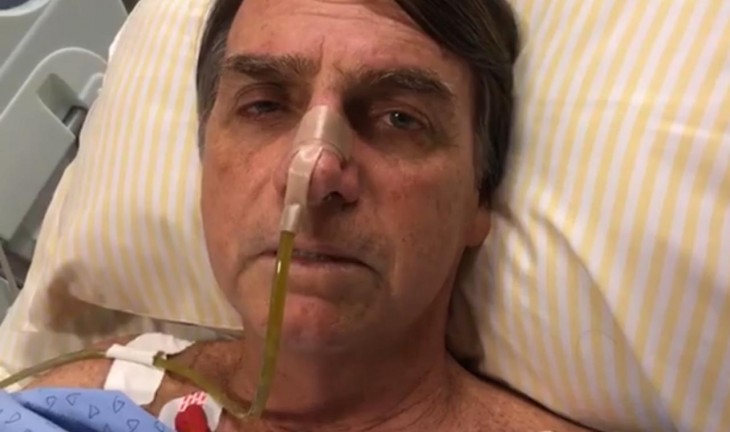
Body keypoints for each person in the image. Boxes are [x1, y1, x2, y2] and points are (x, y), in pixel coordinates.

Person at [22, 0, 593, 430]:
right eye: (264, 106)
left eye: (399, 118)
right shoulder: (92, 401)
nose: (315, 170)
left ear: (478, 197)